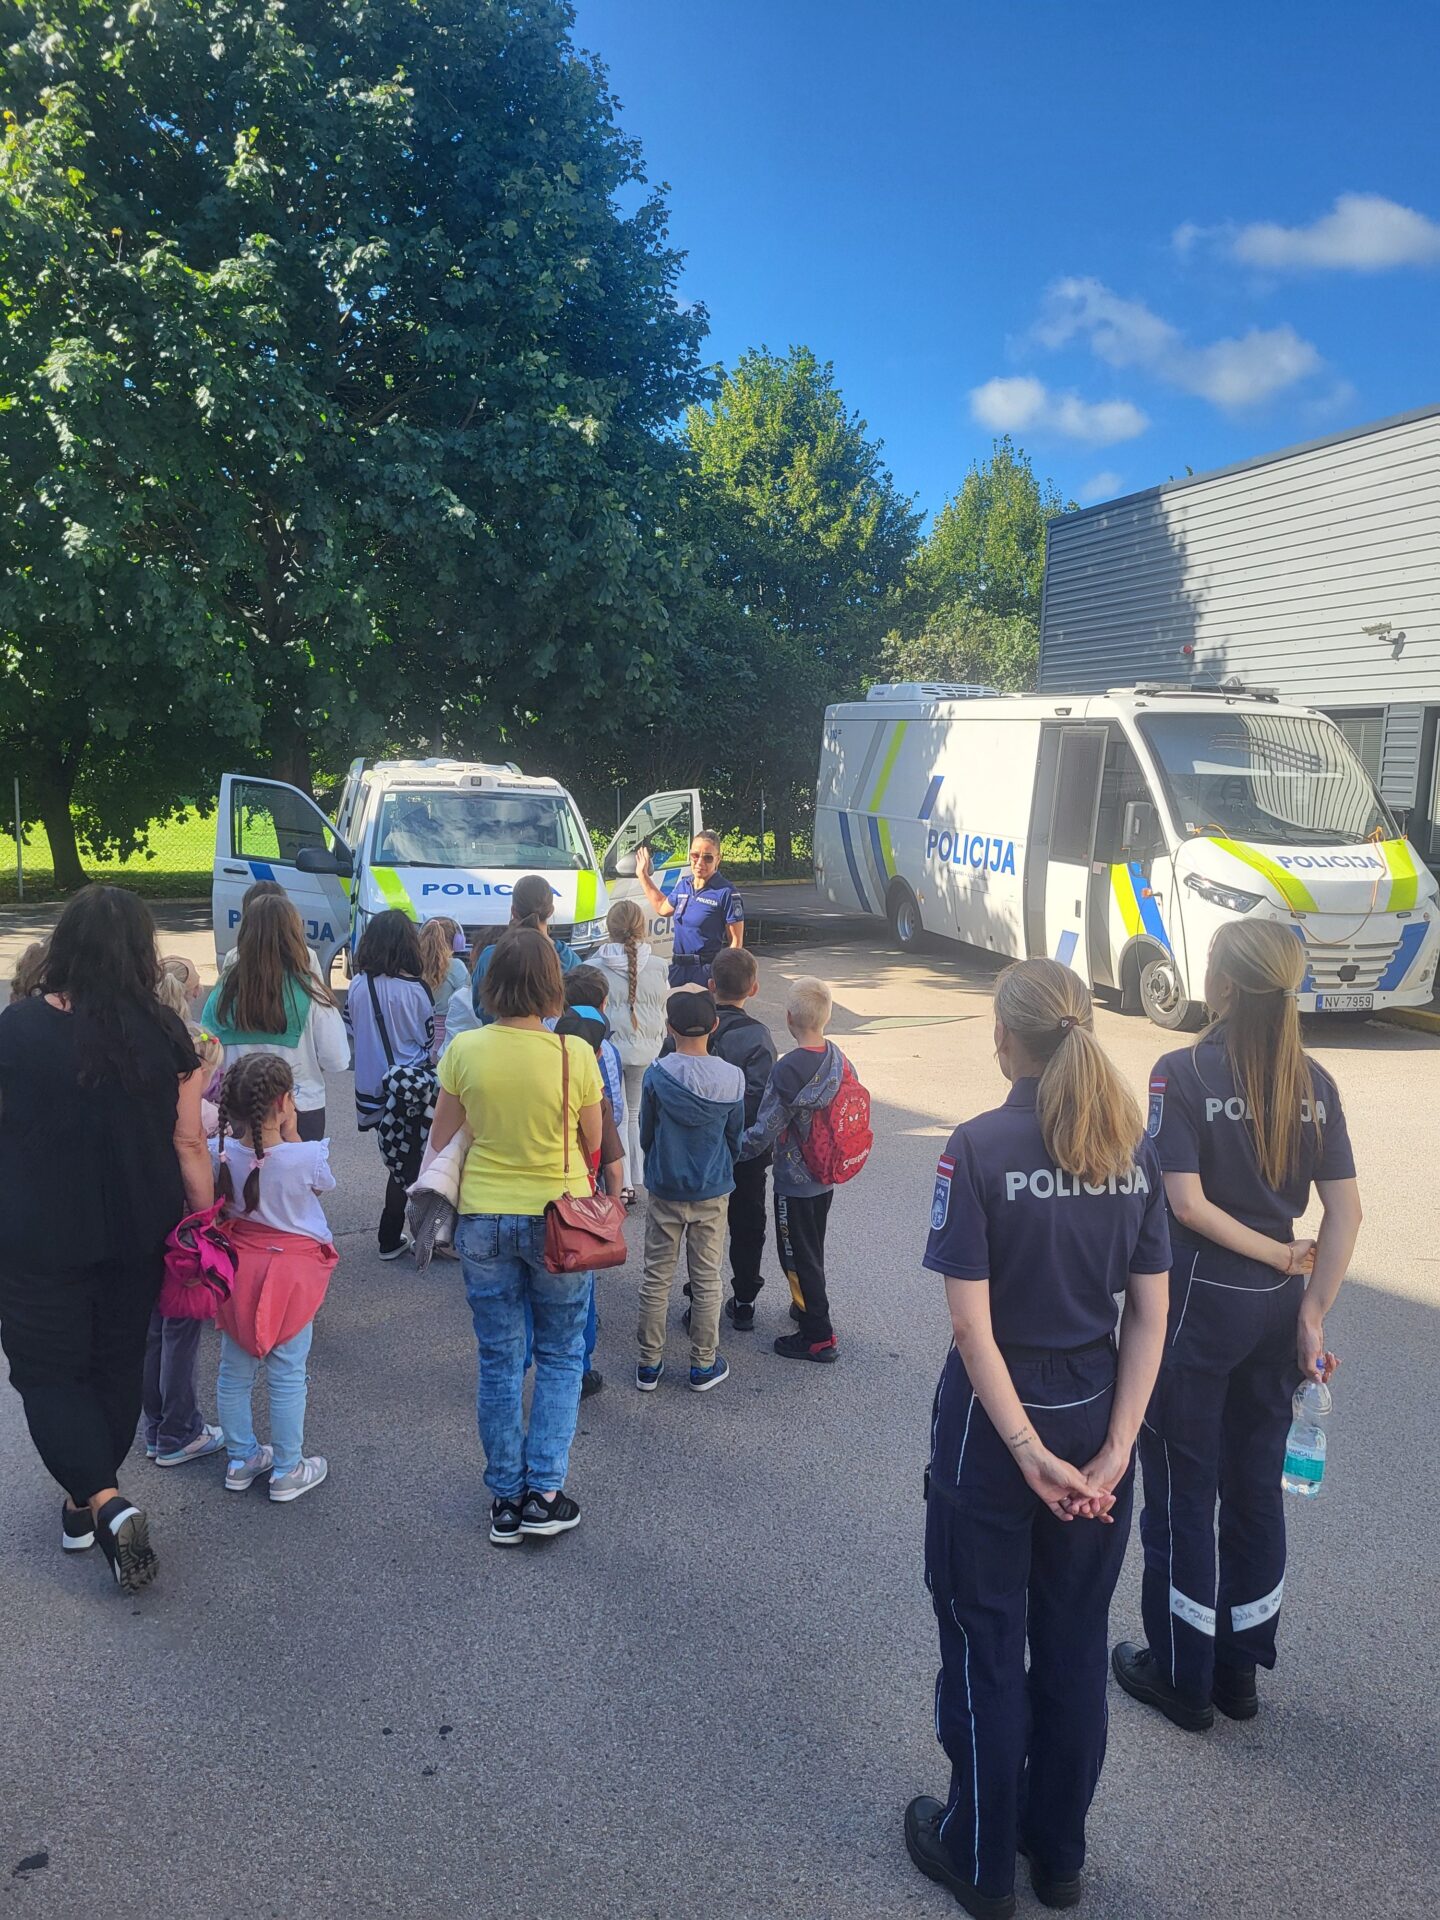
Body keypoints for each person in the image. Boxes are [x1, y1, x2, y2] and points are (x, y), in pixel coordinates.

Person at [906, 958, 1171, 1919]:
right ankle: (1057, 1855)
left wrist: (1025, 1451)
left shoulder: (976, 1146)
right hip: (1096, 1410)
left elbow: (970, 1328)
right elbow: (1151, 1314)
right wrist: (1118, 1448)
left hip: (994, 1426)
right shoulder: (1129, 1147)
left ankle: (980, 1856)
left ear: (1004, 1038)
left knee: (986, 1637)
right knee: (1072, 1640)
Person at [1113, 921, 1363, 1732]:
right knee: (1254, 1490)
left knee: (1182, 1490)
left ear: (1220, 983)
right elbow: (1348, 1212)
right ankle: (1240, 1671)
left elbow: (1185, 1203)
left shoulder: (1181, 1070)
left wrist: (1278, 1254)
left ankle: (1181, 1676)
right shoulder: (1315, 1080)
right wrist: (1311, 1308)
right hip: (1276, 1313)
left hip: (1198, 1305)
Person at [0, 887, 213, 1593]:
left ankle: (104, 1501)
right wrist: (206, 1225)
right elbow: (189, 1142)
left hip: (36, 1231)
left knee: (46, 1372)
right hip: (137, 1227)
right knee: (116, 1363)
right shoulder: (163, 1030)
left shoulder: (17, 1028)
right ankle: (83, 1506)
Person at [429, 928, 603, 1546]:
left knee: (499, 1360)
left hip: (482, 1218)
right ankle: (544, 1493)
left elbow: (441, 1138)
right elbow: (593, 1141)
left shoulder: (465, 1049)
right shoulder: (573, 1054)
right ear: (553, 986)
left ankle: (504, 1496)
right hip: (561, 1220)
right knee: (560, 1354)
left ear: (492, 983)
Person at [212, 1053, 338, 1504]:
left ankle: (241, 1458)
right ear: (284, 1102)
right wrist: (293, 1134)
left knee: (233, 1370)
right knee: (287, 1372)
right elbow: (320, 1186)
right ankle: (288, 1469)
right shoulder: (307, 1156)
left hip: (236, 1269)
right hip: (291, 1274)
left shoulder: (219, 1153)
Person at [636, 991, 744, 1394]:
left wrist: (654, 1162)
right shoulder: (733, 1078)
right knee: (707, 1278)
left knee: (656, 1277)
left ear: (669, 1027)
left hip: (666, 1185)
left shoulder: (656, 1075)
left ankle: (649, 1364)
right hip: (711, 1188)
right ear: (714, 1025)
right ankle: (702, 1363)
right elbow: (735, 1135)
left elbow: (646, 1132)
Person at [141, 977, 226, 1469]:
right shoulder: (184, 1072)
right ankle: (179, 1430)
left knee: (154, 1324)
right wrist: (204, 1217)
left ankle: (154, 1426)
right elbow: (190, 1143)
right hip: (179, 1211)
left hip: (143, 1205)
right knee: (182, 1324)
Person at [738, 975, 846, 1361]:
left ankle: (818, 1334)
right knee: (811, 1247)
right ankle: (804, 1307)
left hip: (794, 1179)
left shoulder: (786, 1070)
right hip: (825, 1173)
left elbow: (766, 1128)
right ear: (827, 1017)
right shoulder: (838, 1059)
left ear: (788, 1018)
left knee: (796, 1255)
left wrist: (734, 1149)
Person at [202, 894, 349, 1141]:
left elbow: (206, 1050)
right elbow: (337, 1059)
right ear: (294, 934)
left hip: (238, 1108)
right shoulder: (311, 992)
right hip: (300, 1106)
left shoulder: (223, 992)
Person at [345, 910, 435, 1258]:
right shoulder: (416, 990)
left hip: (372, 1092)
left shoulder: (358, 985)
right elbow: (427, 1041)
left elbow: (351, 1028)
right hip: (410, 1090)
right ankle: (401, 1235)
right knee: (410, 1164)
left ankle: (392, 1235)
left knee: (397, 1163)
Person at [592, 897, 669, 1204]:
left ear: (609, 928)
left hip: (608, 1051)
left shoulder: (592, 967)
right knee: (634, 1113)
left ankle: (621, 1182)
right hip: (646, 1049)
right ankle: (635, 1178)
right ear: (642, 927)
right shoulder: (659, 966)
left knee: (616, 1115)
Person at [635, 829, 745, 987]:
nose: (700, 863)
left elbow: (736, 943)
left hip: (706, 972)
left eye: (708, 858)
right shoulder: (684, 885)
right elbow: (662, 907)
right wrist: (643, 875)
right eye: (695, 855)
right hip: (677, 969)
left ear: (718, 859)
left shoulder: (726, 893)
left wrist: (722, 978)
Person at [469, 874, 579, 1022]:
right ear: (551, 911)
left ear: (513, 911)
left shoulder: (489, 957)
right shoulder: (571, 961)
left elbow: (480, 1008)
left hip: (496, 1035)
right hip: (551, 1037)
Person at [417, 916, 471, 1058]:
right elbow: (466, 999)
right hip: (448, 1035)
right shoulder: (456, 966)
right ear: (457, 942)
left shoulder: (415, 965)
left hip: (420, 1032)